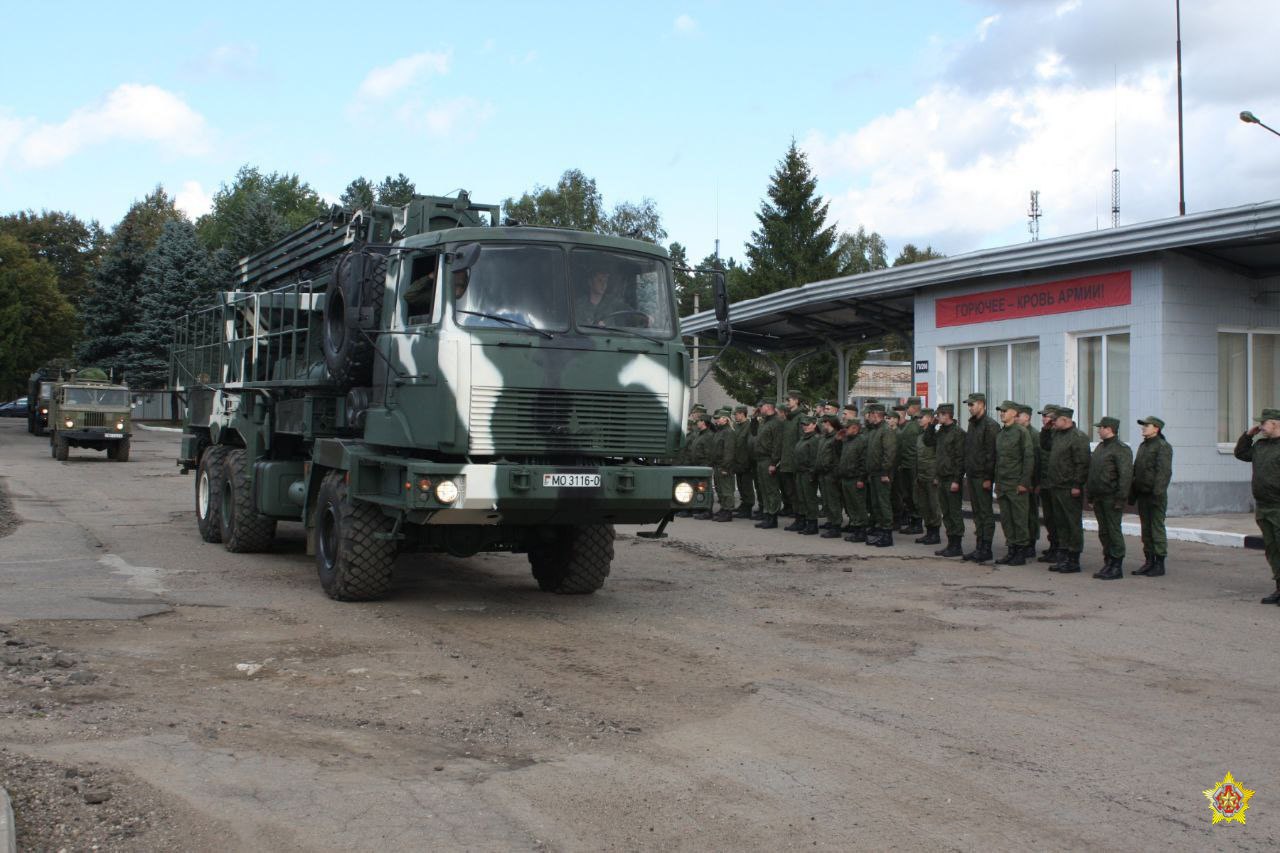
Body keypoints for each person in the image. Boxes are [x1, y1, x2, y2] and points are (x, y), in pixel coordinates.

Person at [1233, 408, 1280, 604]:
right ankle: (1279, 587)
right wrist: (1248, 435)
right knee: (1272, 548)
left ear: (1276, 423)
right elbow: (1241, 453)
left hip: (1279, 506)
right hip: (1263, 505)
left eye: (1264, 423)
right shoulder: (1260, 445)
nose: (1260, 426)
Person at [1087, 416, 1133, 580]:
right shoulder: (1100, 447)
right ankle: (1108, 561)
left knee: (1113, 531)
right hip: (1099, 496)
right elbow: (1093, 472)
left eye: (1101, 427)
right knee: (1104, 532)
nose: (1098, 430)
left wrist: (1121, 498)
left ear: (1109, 429)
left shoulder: (1120, 449)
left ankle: (1116, 564)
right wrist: (1090, 496)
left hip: (1111, 497)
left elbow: (1125, 476)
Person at [1047, 407, 1092, 574]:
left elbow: (1082, 464)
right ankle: (1063, 554)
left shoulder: (1078, 438)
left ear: (1065, 420)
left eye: (1055, 420)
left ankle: (1073, 558)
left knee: (1072, 523)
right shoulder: (1057, 434)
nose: (1053, 422)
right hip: (1056, 485)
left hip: (1069, 487)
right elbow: (1045, 446)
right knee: (1061, 523)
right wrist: (1046, 430)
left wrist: (1077, 485)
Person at [993, 401, 1036, 565]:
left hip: (1016, 484)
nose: (1002, 413)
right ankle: (1011, 549)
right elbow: (998, 461)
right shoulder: (1001, 434)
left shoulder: (1021, 432)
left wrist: (1024, 482)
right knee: (1006, 520)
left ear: (1014, 413)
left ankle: (1021, 551)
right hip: (1003, 484)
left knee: (1019, 519)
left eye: (1005, 411)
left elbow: (1028, 458)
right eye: (1001, 411)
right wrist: (997, 483)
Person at [1130, 415, 1173, 576]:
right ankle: (1149, 561)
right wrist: (1133, 492)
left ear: (1156, 428)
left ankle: (1159, 563)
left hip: (1155, 495)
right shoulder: (1144, 446)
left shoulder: (1162, 446)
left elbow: (1164, 473)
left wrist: (1157, 494)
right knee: (1146, 530)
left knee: (1156, 529)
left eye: (1146, 425)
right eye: (1143, 425)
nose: (1143, 428)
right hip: (1143, 494)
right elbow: (1137, 469)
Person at [925, 403, 967, 556]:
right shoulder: (941, 432)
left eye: (940, 415)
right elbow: (928, 441)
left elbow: (960, 459)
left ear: (947, 414)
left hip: (952, 478)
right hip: (942, 477)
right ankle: (951, 543)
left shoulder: (958, 433)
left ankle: (957, 545)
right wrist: (931, 426)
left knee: (954, 512)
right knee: (946, 512)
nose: (937, 417)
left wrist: (957, 480)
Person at [962, 393, 1000, 563]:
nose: (970, 407)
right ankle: (979, 546)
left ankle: (986, 548)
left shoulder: (990, 425)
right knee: (977, 513)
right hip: (972, 474)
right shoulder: (973, 424)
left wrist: (988, 478)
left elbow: (991, 454)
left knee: (985, 513)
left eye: (972, 404)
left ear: (982, 404)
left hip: (982, 476)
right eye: (968, 405)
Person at [863, 403, 897, 547]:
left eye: (869, 415)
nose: (867, 417)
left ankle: (887, 535)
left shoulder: (886, 431)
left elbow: (889, 454)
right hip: (874, 474)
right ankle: (881, 531)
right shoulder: (875, 431)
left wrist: (884, 472)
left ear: (875, 414)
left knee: (883, 504)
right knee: (876, 504)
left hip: (882, 474)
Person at [913, 408, 942, 545]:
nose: (919, 420)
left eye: (922, 417)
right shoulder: (919, 437)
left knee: (933, 505)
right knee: (924, 505)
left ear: (931, 419)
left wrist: (937, 476)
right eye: (918, 418)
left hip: (931, 476)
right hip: (922, 475)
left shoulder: (935, 436)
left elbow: (938, 457)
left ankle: (935, 534)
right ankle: (929, 532)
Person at [1016, 404, 1042, 559]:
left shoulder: (1034, 435)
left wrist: (1035, 483)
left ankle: (1031, 543)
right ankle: (1022, 542)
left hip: (1031, 482)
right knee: (1021, 514)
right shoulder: (1019, 433)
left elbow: (1037, 461)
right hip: (1020, 479)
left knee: (1031, 513)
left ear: (1027, 417)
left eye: (1019, 415)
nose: (1017, 418)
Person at [1037, 405, 1062, 562]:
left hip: (1057, 482)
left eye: (1046, 415)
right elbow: (1044, 447)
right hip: (1046, 481)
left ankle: (1060, 548)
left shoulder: (1060, 433)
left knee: (1058, 518)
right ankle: (1053, 546)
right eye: (1043, 415)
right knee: (1049, 518)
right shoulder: (1046, 433)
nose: (1044, 418)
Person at [753, 402, 784, 529]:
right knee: (764, 489)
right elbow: (754, 432)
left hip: (768, 459)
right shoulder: (764, 422)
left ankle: (773, 517)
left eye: (762, 406)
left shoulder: (776, 423)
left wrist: (773, 463)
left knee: (771, 489)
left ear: (768, 407)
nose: (760, 409)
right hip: (760, 459)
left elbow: (777, 444)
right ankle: (767, 514)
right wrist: (754, 418)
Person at [839, 417, 870, 542]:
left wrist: (861, 478)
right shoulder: (847, 440)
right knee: (851, 505)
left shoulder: (861, 440)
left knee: (859, 505)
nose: (845, 430)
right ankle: (855, 528)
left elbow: (864, 461)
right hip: (846, 477)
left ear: (855, 428)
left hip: (856, 478)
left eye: (848, 428)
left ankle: (861, 531)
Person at [896, 398, 923, 534]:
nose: (906, 410)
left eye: (908, 407)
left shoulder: (919, 422)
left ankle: (917, 522)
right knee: (907, 494)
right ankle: (913, 520)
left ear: (915, 407)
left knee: (914, 494)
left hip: (914, 464)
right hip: (905, 463)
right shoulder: (910, 423)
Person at [778, 391, 805, 527]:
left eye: (789, 399)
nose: (787, 402)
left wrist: (798, 461)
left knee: (797, 492)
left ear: (797, 401)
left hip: (795, 463)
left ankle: (801, 519)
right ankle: (797, 517)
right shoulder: (788, 419)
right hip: (786, 462)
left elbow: (802, 442)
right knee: (791, 492)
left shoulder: (800, 418)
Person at [816, 414, 844, 537]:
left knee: (833, 501)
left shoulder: (837, 437)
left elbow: (839, 454)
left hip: (832, 473)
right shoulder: (824, 437)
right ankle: (830, 521)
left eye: (823, 423)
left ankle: (836, 525)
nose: (822, 425)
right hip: (823, 472)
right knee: (826, 500)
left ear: (829, 423)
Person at [793, 415, 821, 535]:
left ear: (814, 425)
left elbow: (815, 458)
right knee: (802, 498)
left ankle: (812, 524)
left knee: (810, 499)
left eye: (807, 424)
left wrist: (812, 473)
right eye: (803, 424)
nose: (805, 427)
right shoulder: (804, 438)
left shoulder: (814, 439)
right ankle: (803, 521)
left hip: (808, 472)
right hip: (800, 472)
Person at [689, 414, 717, 520]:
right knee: (700, 488)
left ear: (704, 422)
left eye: (699, 421)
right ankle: (701, 508)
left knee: (706, 488)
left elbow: (710, 453)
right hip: (698, 466)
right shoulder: (701, 434)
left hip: (704, 465)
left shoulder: (708, 435)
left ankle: (707, 510)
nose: (697, 423)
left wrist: (707, 466)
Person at [711, 409, 736, 522]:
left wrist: (726, 467)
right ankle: (724, 508)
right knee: (720, 488)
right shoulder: (720, 431)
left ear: (726, 419)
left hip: (724, 465)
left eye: (719, 418)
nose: (717, 420)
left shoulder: (728, 432)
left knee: (727, 489)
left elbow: (729, 451)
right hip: (717, 464)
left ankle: (728, 511)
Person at [731, 406, 755, 519]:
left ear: (742, 414)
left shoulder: (748, 426)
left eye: (736, 414)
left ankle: (748, 507)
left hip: (745, 461)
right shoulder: (736, 426)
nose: (735, 416)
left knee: (747, 486)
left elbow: (749, 445)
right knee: (740, 485)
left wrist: (748, 461)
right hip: (737, 461)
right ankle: (743, 504)